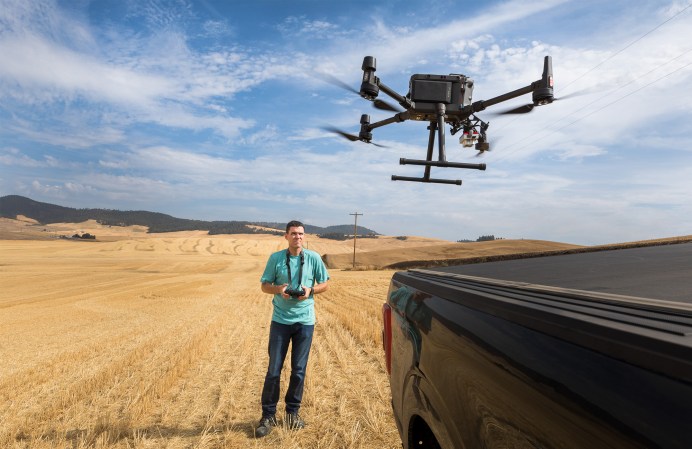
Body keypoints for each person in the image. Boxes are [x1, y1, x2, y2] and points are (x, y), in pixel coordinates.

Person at [255, 220, 330, 437]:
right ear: (286, 236)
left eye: (301, 234)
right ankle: (268, 416)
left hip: (305, 321)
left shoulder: (314, 258)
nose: (298, 237)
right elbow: (264, 285)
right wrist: (279, 289)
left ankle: (292, 414)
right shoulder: (276, 259)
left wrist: (311, 290)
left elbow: (325, 283)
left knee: (298, 371)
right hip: (280, 321)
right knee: (273, 371)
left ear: (304, 236)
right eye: (294, 234)